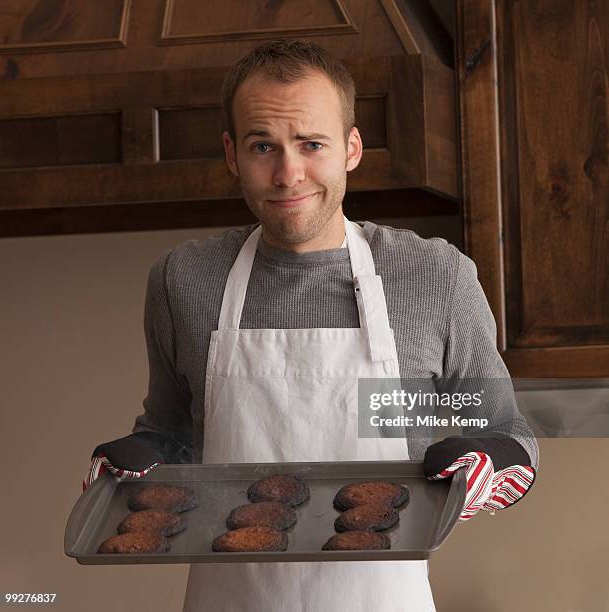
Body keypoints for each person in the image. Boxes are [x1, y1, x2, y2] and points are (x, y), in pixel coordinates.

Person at [85, 39, 538, 611]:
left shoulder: (434, 276)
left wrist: (484, 462)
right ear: (231, 153)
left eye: (311, 144)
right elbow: (173, 429)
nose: (287, 173)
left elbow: (509, 434)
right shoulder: (184, 279)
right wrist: (136, 459)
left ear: (352, 148)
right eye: (262, 146)